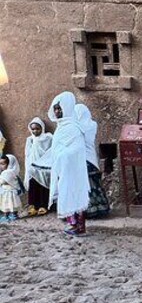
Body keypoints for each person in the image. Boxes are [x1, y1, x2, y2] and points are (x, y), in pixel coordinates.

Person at [33, 92, 90, 235]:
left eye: (60, 108)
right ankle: (73, 224)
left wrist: (62, 155)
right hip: (64, 171)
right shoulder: (60, 128)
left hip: (75, 171)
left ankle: (80, 226)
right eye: (56, 108)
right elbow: (55, 150)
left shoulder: (74, 128)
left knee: (77, 195)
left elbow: (77, 149)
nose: (57, 111)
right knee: (66, 194)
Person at [75, 104, 111, 219]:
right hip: (91, 158)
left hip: (83, 158)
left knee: (86, 184)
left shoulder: (79, 127)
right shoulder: (92, 124)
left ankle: (87, 210)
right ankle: (100, 208)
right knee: (94, 183)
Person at [24, 117, 53, 215]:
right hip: (32, 167)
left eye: (37, 128)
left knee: (43, 185)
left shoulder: (48, 138)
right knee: (33, 186)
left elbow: (51, 151)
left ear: (42, 128)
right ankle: (33, 206)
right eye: (33, 129)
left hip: (43, 167)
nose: (35, 131)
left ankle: (43, 205)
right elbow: (27, 154)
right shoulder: (30, 139)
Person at [0, 154, 25, 222]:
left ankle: (9, 216)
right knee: (11, 204)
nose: (1, 166)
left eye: (3, 164)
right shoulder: (13, 172)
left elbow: (2, 181)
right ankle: (11, 215)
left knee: (8, 204)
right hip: (7, 192)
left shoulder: (7, 172)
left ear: (9, 163)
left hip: (9, 192)